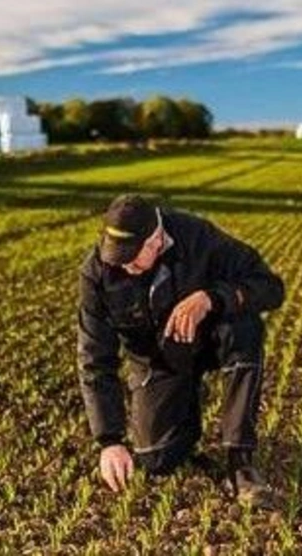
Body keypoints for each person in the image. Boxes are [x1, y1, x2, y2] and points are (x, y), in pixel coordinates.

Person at [76, 194, 284, 507]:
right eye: (116, 257)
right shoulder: (97, 273)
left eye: (132, 258)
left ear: (156, 241)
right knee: (157, 458)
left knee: (244, 328)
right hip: (159, 361)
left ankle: (240, 460)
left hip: (210, 341)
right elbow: (95, 358)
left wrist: (212, 298)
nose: (124, 267)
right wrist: (110, 441)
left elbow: (270, 287)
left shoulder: (199, 237)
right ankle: (185, 411)